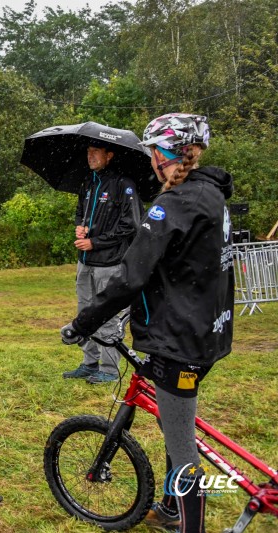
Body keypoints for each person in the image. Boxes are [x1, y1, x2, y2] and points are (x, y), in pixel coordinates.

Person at [61, 113, 234, 533]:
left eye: (153, 151)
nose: (151, 159)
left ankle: (187, 523)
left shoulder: (172, 205)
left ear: (166, 154)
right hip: (209, 331)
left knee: (182, 449)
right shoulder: (211, 196)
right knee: (176, 421)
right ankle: (173, 508)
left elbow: (130, 276)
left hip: (179, 340)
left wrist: (84, 322)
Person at [62, 139, 142, 384]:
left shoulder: (123, 185)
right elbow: (80, 211)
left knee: (106, 315)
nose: (91, 156)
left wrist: (96, 242)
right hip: (85, 262)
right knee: (85, 313)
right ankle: (89, 363)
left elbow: (131, 225)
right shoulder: (88, 183)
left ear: (109, 155)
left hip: (110, 262)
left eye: (96, 152)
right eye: (88, 152)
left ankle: (109, 369)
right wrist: (80, 227)